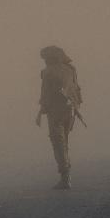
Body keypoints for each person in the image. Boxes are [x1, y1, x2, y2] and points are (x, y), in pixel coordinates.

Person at [36, 45, 83, 189]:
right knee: (64, 143)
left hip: (55, 112)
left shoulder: (47, 72)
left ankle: (65, 177)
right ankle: (66, 175)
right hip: (70, 111)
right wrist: (76, 109)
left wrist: (40, 112)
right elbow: (76, 90)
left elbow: (45, 94)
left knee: (58, 143)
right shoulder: (71, 69)